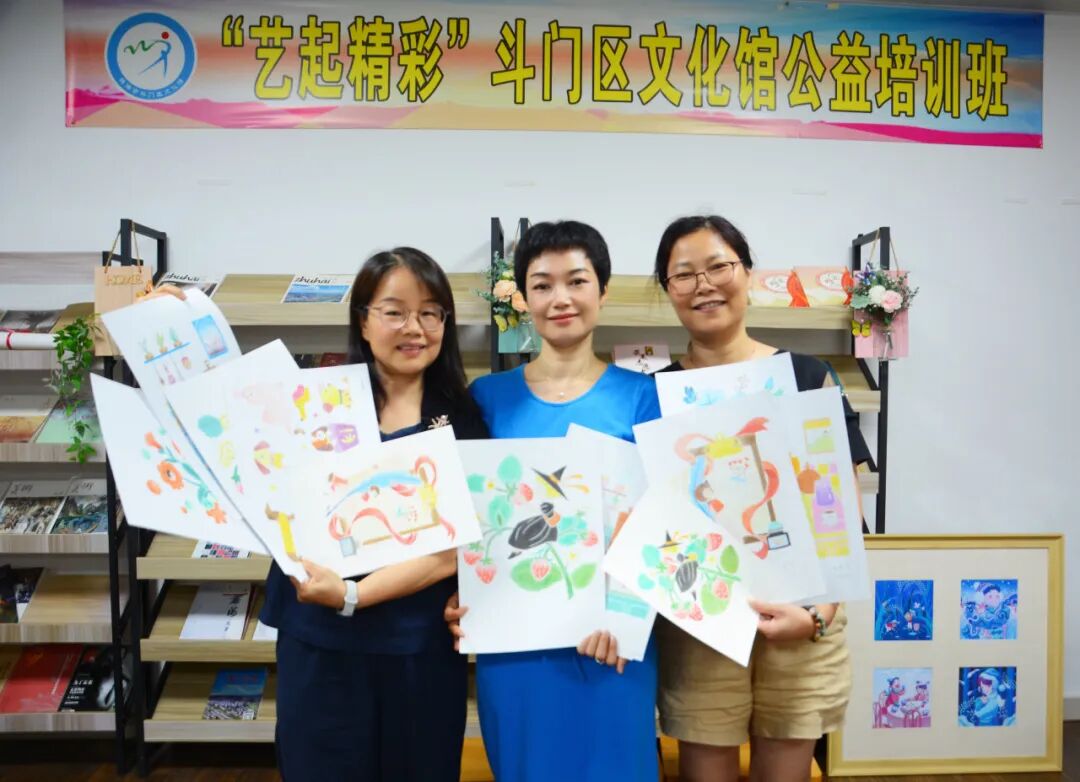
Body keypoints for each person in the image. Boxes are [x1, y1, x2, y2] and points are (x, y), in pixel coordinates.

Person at [161, 248, 487, 781]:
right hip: (319, 640)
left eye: (430, 313)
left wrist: (352, 595)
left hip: (417, 646)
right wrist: (169, 321)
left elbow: (450, 550)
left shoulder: (463, 417)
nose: (415, 328)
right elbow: (216, 411)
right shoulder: (312, 402)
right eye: (395, 312)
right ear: (363, 320)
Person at [652, 215, 872, 782]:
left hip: (804, 614)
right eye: (684, 274)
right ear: (668, 290)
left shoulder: (807, 376)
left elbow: (841, 513)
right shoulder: (655, 396)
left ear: (748, 273)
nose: (704, 285)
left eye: (719, 267)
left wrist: (817, 616)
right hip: (704, 624)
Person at [446, 221, 661, 782]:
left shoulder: (645, 398)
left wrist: (625, 619)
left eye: (577, 281)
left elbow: (662, 521)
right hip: (514, 643)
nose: (560, 298)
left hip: (611, 642)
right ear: (522, 298)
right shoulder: (487, 398)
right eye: (542, 285)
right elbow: (468, 515)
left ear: (603, 291)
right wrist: (460, 592)